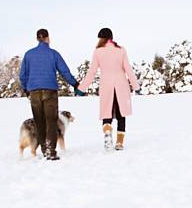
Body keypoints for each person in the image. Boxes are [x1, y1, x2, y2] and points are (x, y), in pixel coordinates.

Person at [19, 28, 83, 160]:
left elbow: (22, 75)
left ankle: (44, 149)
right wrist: (76, 85)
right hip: (50, 92)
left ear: (37, 38)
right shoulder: (53, 54)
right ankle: (51, 151)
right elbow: (65, 71)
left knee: (39, 122)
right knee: (51, 122)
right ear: (48, 38)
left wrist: (26, 89)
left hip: (34, 93)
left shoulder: (29, 55)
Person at [80, 28, 140, 151]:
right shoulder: (121, 50)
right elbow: (128, 69)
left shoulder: (98, 52)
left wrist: (82, 88)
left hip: (106, 86)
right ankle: (119, 143)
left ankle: (107, 133)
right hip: (121, 86)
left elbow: (91, 72)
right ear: (111, 38)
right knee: (121, 114)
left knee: (107, 112)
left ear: (101, 38)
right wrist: (136, 86)